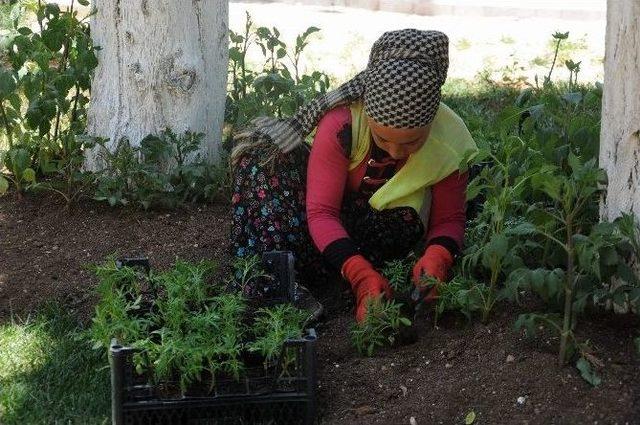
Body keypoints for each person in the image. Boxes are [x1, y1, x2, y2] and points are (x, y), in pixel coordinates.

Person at [230, 29, 477, 322]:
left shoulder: (452, 141)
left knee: (406, 221)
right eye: (383, 140)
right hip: (314, 230)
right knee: (261, 158)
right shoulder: (342, 122)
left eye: (412, 142)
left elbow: (449, 220)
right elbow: (321, 212)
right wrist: (359, 275)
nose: (396, 152)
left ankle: (345, 280)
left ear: (432, 118)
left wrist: (439, 257)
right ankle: (276, 284)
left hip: (378, 242)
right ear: (368, 114)